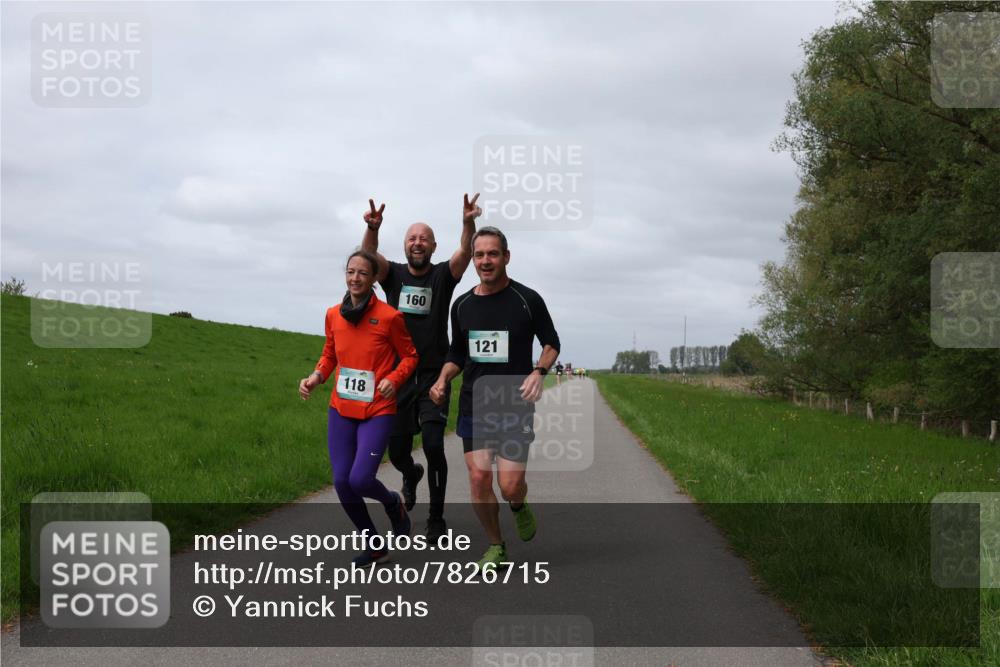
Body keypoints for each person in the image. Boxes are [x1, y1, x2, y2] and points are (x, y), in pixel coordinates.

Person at [430, 226, 560, 571]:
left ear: (506, 257)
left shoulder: (527, 300)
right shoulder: (462, 305)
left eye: (492, 254)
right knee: (478, 478)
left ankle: (518, 505)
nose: (485, 261)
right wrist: (443, 378)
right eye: (479, 255)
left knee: (510, 484)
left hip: (514, 405)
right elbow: (458, 353)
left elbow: (551, 343)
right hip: (475, 403)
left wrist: (538, 372)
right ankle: (496, 545)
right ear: (473, 259)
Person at [361, 195, 480, 542]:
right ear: (405, 245)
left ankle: (436, 517)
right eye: (412, 238)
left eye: (424, 238)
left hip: (433, 375)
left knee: (432, 443)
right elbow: (368, 258)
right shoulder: (394, 275)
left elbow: (465, 253)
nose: (417, 242)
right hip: (396, 377)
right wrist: (371, 229)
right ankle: (410, 474)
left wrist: (468, 223)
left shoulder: (443, 275)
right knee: (397, 451)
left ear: (433, 245)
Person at [298, 249, 419, 567]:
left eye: (363, 273)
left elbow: (410, 356)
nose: (355, 278)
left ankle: (393, 503)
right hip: (341, 409)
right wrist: (316, 377)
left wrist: (394, 379)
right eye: (351, 271)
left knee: (361, 479)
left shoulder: (390, 317)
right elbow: (329, 354)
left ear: (374, 278)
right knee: (341, 481)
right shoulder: (333, 314)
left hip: (377, 409)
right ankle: (374, 543)